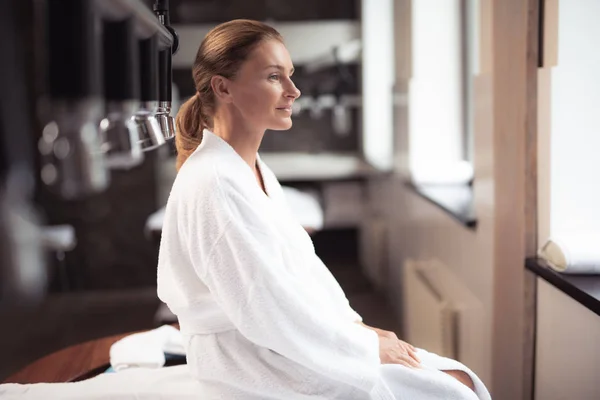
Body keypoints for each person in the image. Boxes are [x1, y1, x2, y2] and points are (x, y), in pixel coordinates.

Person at [157, 19, 491, 400]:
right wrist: (362, 348)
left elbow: (303, 273)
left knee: (456, 378)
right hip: (249, 363)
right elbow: (265, 306)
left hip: (284, 343)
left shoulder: (251, 169)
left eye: (290, 76)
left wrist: (356, 330)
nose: (293, 91)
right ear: (223, 87)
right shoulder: (215, 182)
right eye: (273, 77)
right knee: (451, 390)